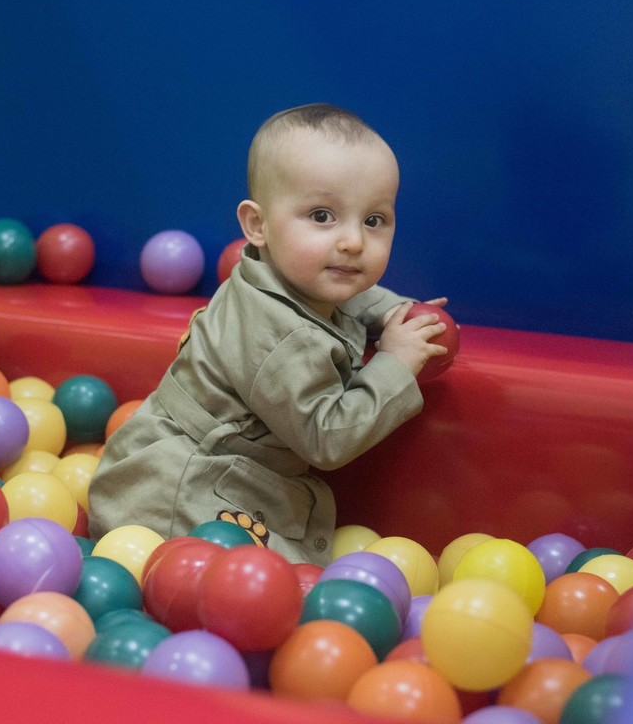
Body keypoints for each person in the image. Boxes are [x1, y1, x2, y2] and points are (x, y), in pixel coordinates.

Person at [88, 103, 448, 565]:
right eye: (322, 216)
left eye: (374, 220)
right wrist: (395, 363)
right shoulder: (280, 336)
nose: (354, 241)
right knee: (271, 589)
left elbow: (349, 293)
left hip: (202, 471)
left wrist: (394, 311)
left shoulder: (285, 275)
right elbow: (328, 436)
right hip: (176, 498)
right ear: (257, 225)